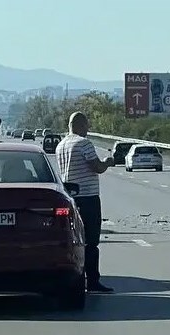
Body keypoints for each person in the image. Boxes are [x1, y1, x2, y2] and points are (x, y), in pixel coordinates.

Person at [56, 112, 115, 293]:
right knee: (91, 242)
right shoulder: (84, 143)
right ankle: (93, 281)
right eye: (86, 125)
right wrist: (107, 162)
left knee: (75, 240)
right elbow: (96, 167)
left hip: (71, 198)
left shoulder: (61, 145)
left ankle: (76, 279)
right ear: (80, 125)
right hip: (88, 197)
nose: (88, 129)